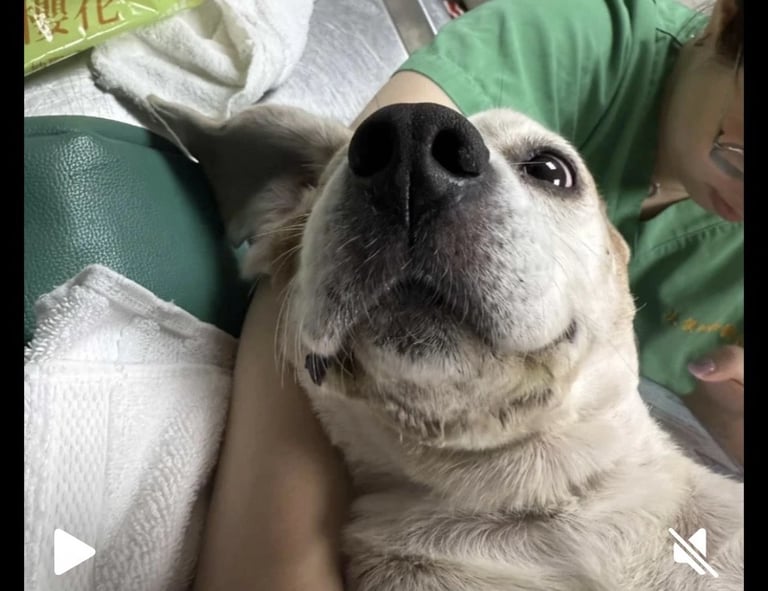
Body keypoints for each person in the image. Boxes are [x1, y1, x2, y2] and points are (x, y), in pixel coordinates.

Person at [191, 0, 743, 589]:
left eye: (546, 172)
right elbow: (324, 215)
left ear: (618, 268)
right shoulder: (576, 32)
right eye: (548, 171)